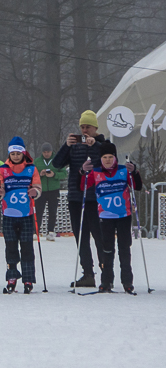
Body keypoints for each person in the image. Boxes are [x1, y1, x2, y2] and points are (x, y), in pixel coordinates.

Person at [53, 110, 107, 288]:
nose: (85, 131)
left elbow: (108, 163)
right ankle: (88, 273)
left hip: (96, 198)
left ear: (95, 128)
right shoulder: (75, 146)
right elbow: (57, 164)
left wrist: (95, 145)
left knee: (100, 236)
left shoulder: (103, 144)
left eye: (88, 127)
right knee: (81, 236)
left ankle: (106, 272)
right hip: (76, 198)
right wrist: (66, 146)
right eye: (82, 127)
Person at [80, 141, 142, 293]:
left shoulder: (123, 171)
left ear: (115, 158)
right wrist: (82, 172)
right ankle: (106, 281)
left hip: (123, 215)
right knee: (107, 250)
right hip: (105, 217)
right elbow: (82, 186)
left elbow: (137, 186)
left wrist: (134, 172)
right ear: (101, 159)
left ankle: (127, 282)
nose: (108, 160)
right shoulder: (96, 172)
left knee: (124, 249)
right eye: (105, 157)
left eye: (110, 157)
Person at [0, 137, 42, 293]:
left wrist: (36, 191)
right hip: (8, 214)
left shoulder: (31, 169)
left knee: (27, 247)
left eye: (18, 153)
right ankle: (11, 276)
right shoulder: (3, 169)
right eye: (12, 153)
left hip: (26, 214)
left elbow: (37, 186)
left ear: (23, 153)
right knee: (11, 247)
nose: (15, 156)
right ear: (9, 154)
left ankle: (28, 279)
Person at [36, 142, 66, 241]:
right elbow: (32, 175)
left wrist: (54, 174)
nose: (46, 154)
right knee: (39, 211)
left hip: (54, 190)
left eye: (48, 152)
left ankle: (51, 231)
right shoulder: (37, 161)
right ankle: (35, 231)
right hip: (41, 190)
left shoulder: (58, 160)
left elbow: (64, 174)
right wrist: (40, 175)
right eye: (44, 152)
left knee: (52, 211)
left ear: (51, 151)